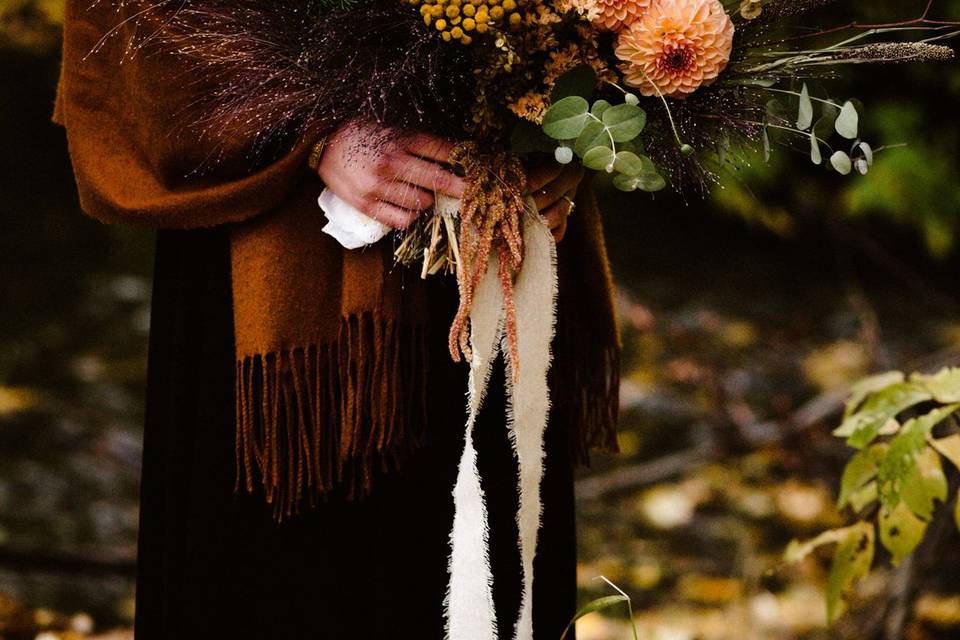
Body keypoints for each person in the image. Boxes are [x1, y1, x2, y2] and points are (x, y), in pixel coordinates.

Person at [54, 1, 620, 637]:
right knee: (289, 590)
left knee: (497, 565)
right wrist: (307, 125)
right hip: (282, 261)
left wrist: (574, 122)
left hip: (507, 236)